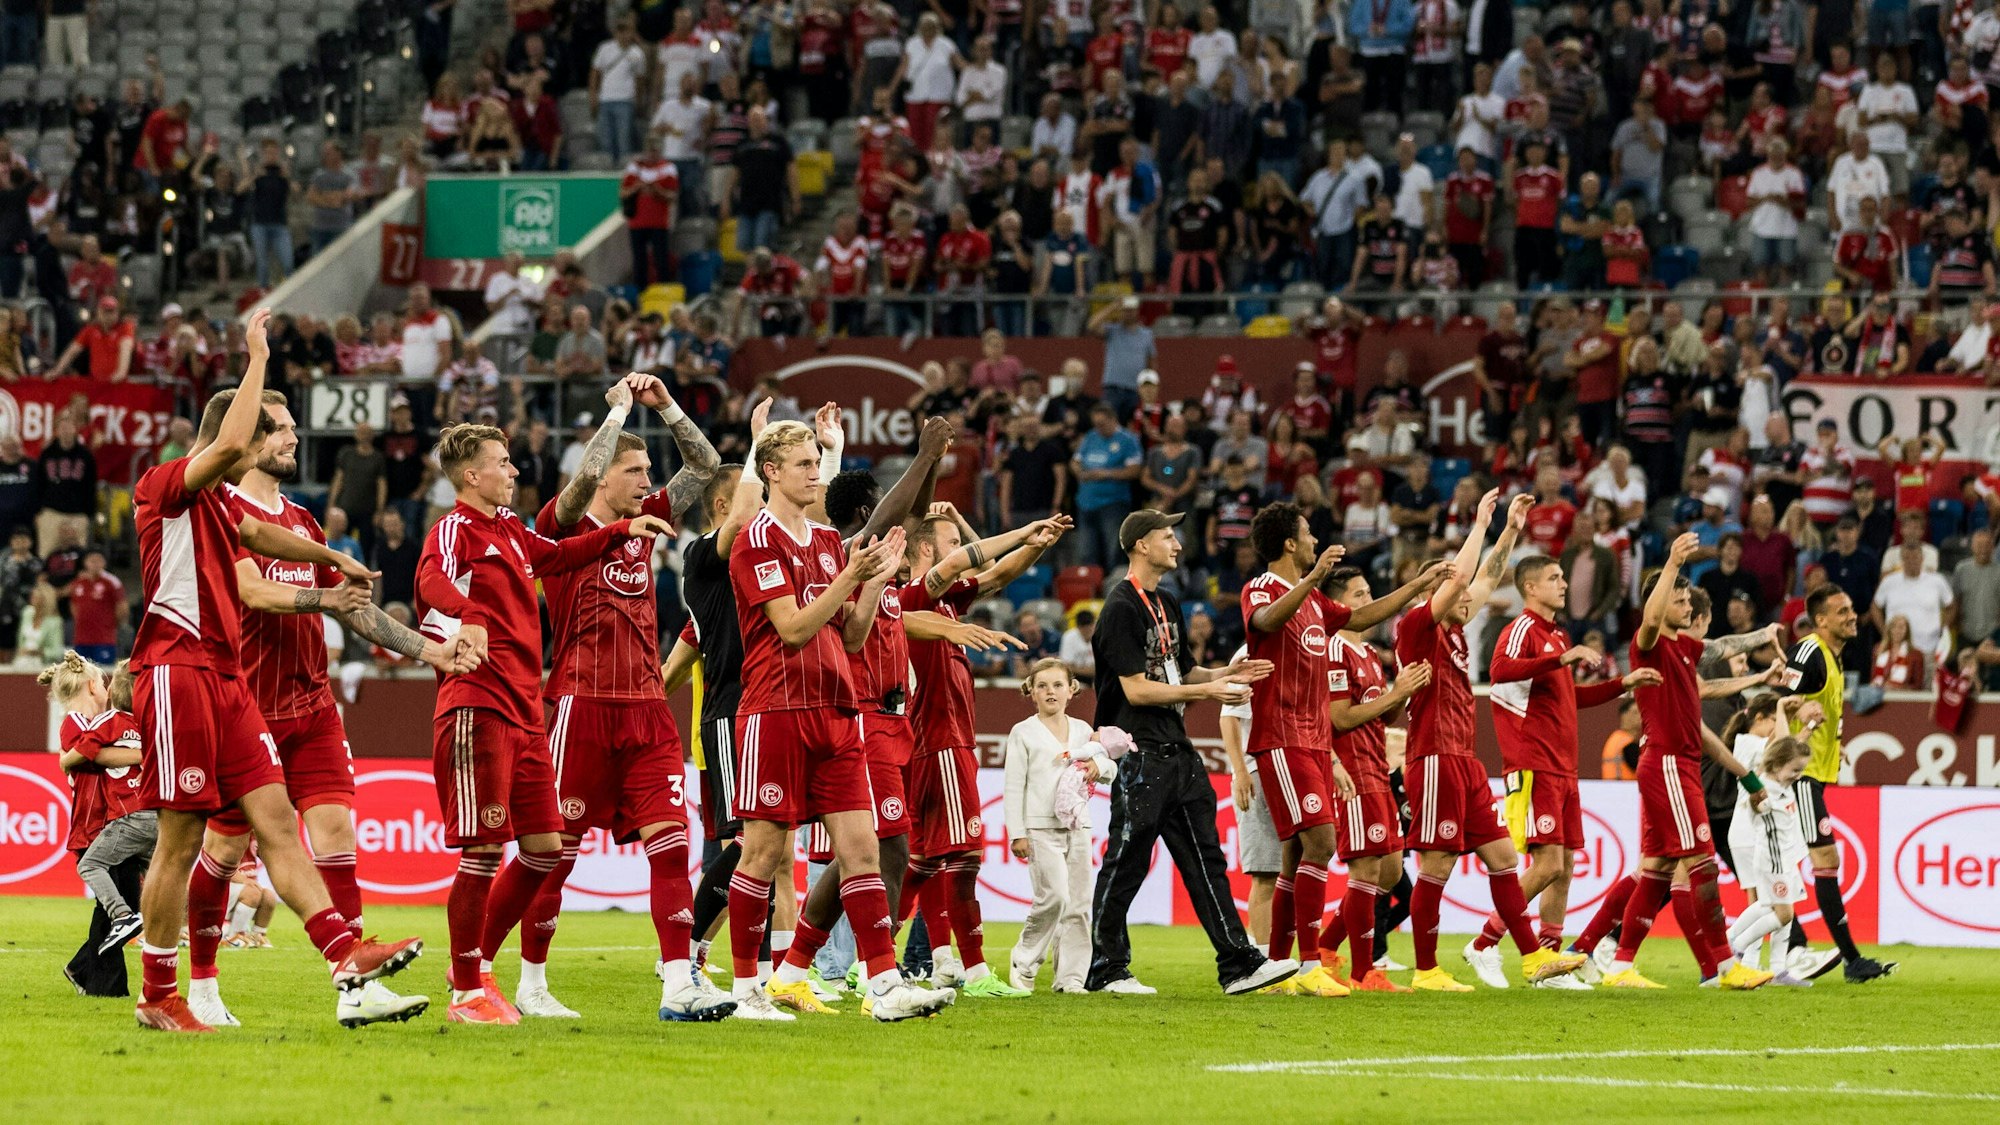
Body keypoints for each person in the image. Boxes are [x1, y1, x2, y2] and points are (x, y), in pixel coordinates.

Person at [129, 310, 424, 1033]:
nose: (276, 444)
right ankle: (159, 994)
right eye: (270, 432)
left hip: (229, 681)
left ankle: (344, 953)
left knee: (280, 827)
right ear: (238, 437)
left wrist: (336, 558)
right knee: (183, 839)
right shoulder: (166, 483)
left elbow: (262, 533)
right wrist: (257, 353)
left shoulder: (224, 507)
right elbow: (232, 443)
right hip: (176, 668)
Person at [196, 390, 459, 1025]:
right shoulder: (217, 511)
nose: (293, 439)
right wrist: (325, 599)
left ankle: (358, 988)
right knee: (226, 853)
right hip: (246, 709)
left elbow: (354, 607)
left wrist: (429, 648)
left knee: (337, 831)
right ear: (250, 441)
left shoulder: (306, 523)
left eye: (290, 428)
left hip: (311, 704)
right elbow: (253, 594)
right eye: (281, 431)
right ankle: (201, 984)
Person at [484, 372, 731, 1021]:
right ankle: (520, 979)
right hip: (580, 706)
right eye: (634, 467)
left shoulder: (648, 522)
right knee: (552, 854)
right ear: (601, 476)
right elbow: (572, 493)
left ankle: (678, 980)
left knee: (671, 844)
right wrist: (616, 413)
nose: (646, 475)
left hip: (648, 709)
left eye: (648, 467)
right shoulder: (559, 527)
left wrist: (667, 405)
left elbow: (704, 464)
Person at [415, 417, 671, 1024]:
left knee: (543, 847)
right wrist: (469, 613)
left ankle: (478, 974)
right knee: (482, 851)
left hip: (527, 710)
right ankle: (467, 989)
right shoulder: (456, 528)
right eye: (503, 463)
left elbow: (558, 556)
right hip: (479, 702)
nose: (514, 471)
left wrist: (620, 533)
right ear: (471, 475)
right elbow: (429, 580)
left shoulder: (508, 529)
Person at [723, 415, 956, 1023]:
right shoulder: (756, 539)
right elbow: (794, 629)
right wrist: (852, 575)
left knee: (863, 850)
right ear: (771, 470)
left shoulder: (827, 543)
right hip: (776, 711)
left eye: (815, 462)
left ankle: (883, 985)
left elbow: (851, 638)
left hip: (837, 712)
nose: (814, 473)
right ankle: (749, 989)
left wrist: (873, 582)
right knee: (762, 856)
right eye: (804, 464)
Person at [1087, 509, 1296, 996]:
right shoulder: (1121, 607)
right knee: (1127, 862)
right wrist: (1210, 694)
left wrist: (1228, 678)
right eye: (1167, 536)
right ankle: (1105, 968)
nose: (1177, 544)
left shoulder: (1168, 602)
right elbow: (1137, 691)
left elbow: (1184, 674)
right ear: (1141, 545)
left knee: (1207, 859)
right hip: (1139, 752)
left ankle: (1238, 964)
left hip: (1177, 750)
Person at [1242, 501, 1442, 996]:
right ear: (1290, 543)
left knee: (1296, 854)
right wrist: (1311, 580)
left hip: (1312, 741)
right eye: (1307, 533)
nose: (1314, 540)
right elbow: (1265, 622)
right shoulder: (1262, 587)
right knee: (1322, 844)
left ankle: (1277, 967)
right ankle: (1310, 963)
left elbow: (1360, 615)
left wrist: (1417, 588)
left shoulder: (1315, 605)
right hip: (1283, 734)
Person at [1394, 490, 1588, 991]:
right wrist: (1480, 523)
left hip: (1465, 762)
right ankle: (1426, 970)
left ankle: (1529, 959)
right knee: (1436, 865)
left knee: (1504, 860)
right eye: (1455, 593)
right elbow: (1463, 577)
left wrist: (1510, 531)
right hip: (1433, 757)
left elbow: (1483, 577)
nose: (1469, 598)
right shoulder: (1416, 627)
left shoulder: (1456, 631)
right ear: (1432, 595)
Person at [890, 503, 1064, 998]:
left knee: (924, 859)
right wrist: (1024, 527)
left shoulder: (946, 605)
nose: (958, 552)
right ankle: (975, 971)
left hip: (938, 743)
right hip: (942, 742)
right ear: (926, 549)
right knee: (963, 858)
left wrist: (1039, 542)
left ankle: (887, 955)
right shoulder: (914, 596)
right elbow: (960, 564)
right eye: (949, 543)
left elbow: (998, 573)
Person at [1461, 555, 1659, 989]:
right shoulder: (1521, 630)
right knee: (1547, 864)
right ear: (1531, 587)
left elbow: (1573, 698)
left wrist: (1623, 684)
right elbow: (1499, 671)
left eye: (1563, 576)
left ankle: (1548, 962)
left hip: (1563, 770)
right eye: (1554, 578)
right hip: (1533, 765)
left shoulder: (1555, 635)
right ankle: (1484, 942)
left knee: (1565, 866)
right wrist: (1559, 659)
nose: (1564, 583)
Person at [1597, 533, 1773, 990]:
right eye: (1678, 600)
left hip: (1677, 763)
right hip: (1670, 765)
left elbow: (1721, 647)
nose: (1687, 608)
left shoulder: (1682, 648)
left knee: (1654, 869)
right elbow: (1652, 616)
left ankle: (1618, 965)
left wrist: (1764, 646)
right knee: (1702, 863)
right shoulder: (1649, 641)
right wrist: (1672, 561)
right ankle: (1722, 964)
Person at [1777, 584, 1896, 982]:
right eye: (1842, 611)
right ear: (1821, 619)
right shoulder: (1809, 651)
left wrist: (1834, 745)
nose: (1852, 616)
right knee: (1824, 861)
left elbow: (1816, 708)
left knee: (1783, 866)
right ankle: (1849, 960)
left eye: (1851, 609)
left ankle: (1798, 945)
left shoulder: (1835, 657)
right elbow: (1775, 699)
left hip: (1813, 772)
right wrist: (1795, 711)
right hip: (1798, 777)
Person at [1003, 658, 1119, 994]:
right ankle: (1024, 960)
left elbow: (1110, 767)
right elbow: (1013, 786)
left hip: (1078, 825)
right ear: (1032, 693)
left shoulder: (1084, 730)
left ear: (1072, 690)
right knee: (1052, 896)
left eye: (1057, 685)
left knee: (1080, 903)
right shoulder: (1022, 732)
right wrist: (1018, 833)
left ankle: (1070, 977)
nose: (1050, 691)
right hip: (1039, 828)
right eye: (1042, 686)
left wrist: (1098, 765)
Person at [50, 654, 151, 964]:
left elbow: (89, 752)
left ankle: (86, 971)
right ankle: (94, 975)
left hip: (116, 818)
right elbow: (92, 752)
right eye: (103, 683)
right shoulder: (82, 722)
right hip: (96, 822)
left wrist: (65, 759)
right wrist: (144, 755)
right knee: (122, 900)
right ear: (93, 685)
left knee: (126, 899)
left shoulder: (111, 722)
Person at [1723, 722, 1819, 986]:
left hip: (1787, 856)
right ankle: (1738, 946)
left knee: (1767, 906)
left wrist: (1808, 728)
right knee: (1783, 913)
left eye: (1801, 770)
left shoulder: (1782, 783)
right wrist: (1757, 804)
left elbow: (1787, 747)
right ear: (1777, 766)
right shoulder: (1763, 790)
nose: (1798, 775)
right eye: (1795, 770)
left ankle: (1777, 967)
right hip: (1774, 860)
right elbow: (1757, 807)